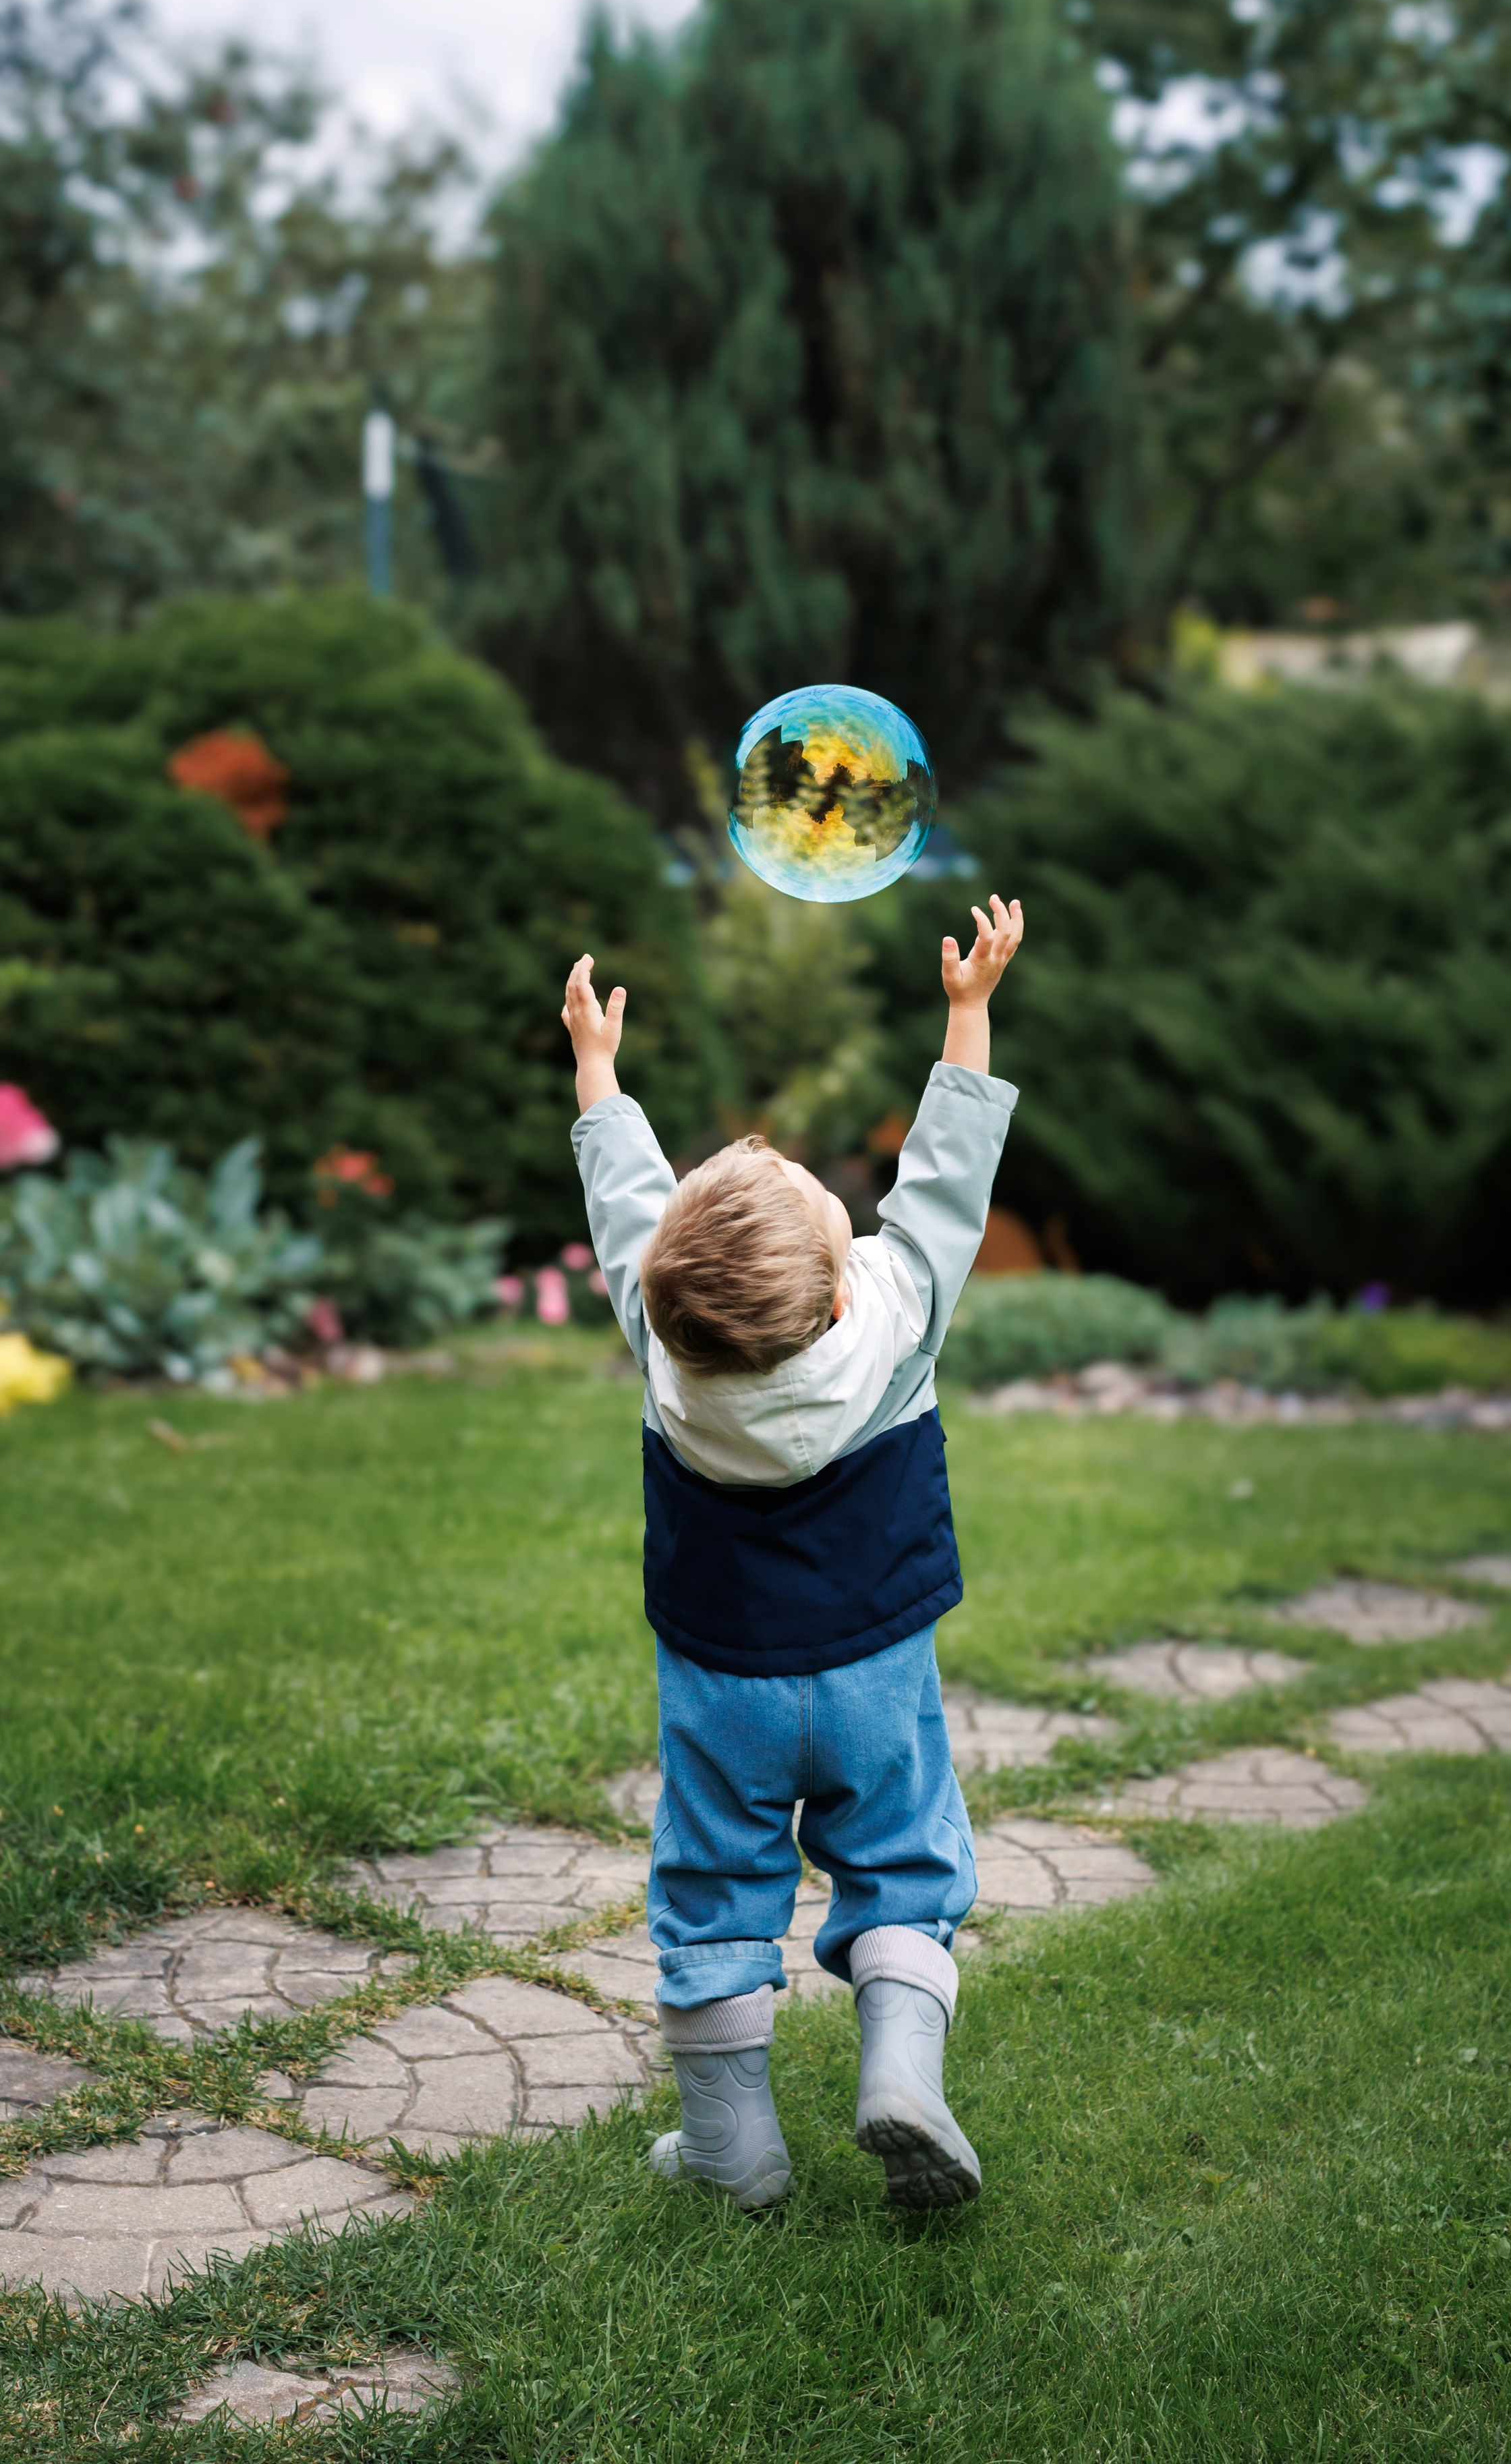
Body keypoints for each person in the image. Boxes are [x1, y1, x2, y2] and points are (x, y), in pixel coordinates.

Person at [562, 893, 1023, 2212]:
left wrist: (597, 1071)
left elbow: (625, 1207)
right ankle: (902, 2073)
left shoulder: (665, 1349)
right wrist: (968, 1014)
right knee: (904, 1863)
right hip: (876, 1671)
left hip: (725, 1688)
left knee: (714, 1885)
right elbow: (944, 1181)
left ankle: (733, 2148)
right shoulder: (899, 1312)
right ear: (834, 1288)